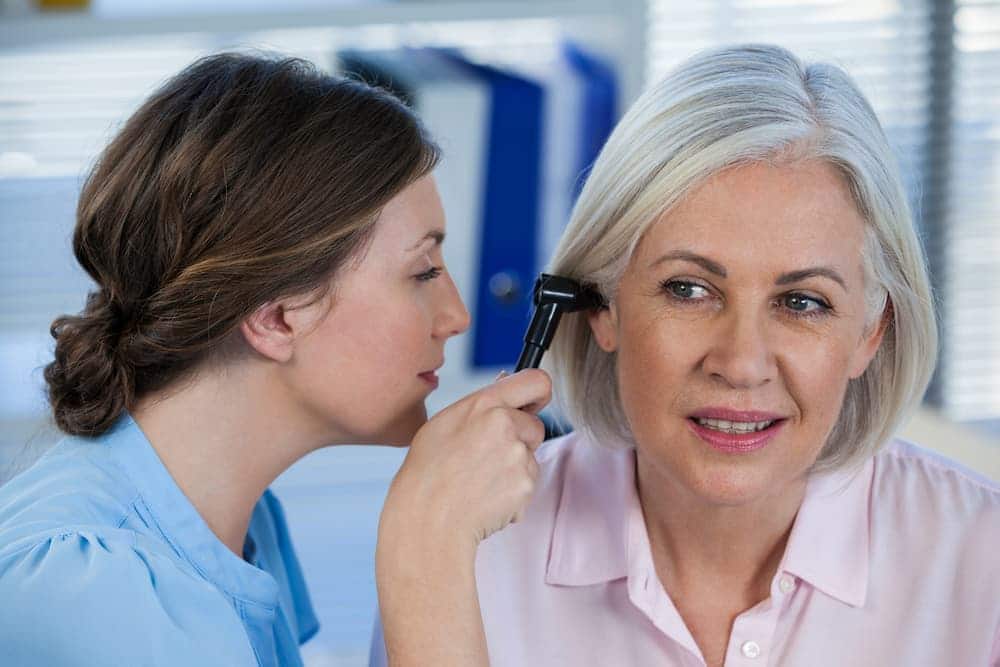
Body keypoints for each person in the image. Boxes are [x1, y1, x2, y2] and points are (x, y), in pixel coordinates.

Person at [369, 43, 1000, 666]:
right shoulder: (465, 548)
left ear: (870, 332)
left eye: (803, 302)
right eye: (688, 290)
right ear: (603, 308)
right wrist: (427, 549)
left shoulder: (980, 560)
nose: (742, 362)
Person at [0, 53, 550, 667]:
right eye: (422, 272)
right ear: (275, 318)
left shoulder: (243, 520)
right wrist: (427, 545)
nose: (456, 317)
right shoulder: (95, 593)